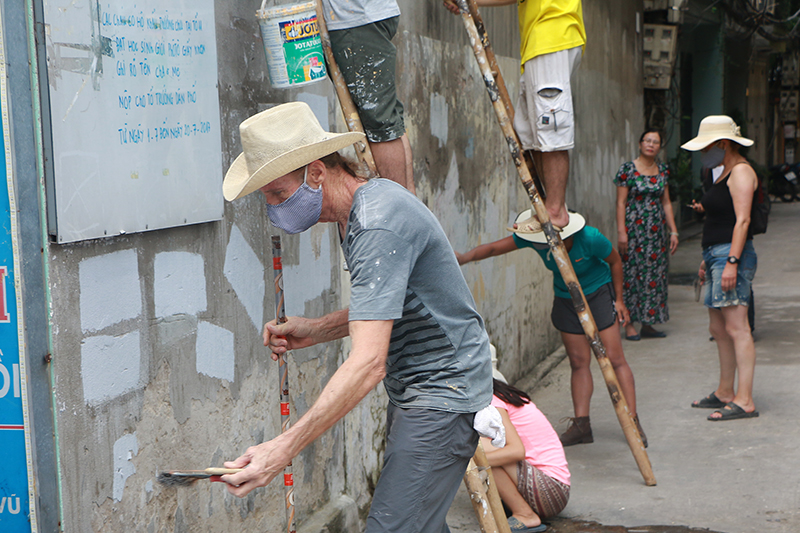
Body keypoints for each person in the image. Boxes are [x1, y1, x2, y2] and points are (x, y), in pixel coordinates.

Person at [219, 102, 493, 531]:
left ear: (315, 172)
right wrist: (318, 329)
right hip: (420, 388)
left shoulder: (377, 221)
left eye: (276, 194)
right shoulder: (358, 214)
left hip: (443, 392)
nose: (272, 208)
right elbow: (386, 305)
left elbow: (368, 363)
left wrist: (282, 449)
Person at [456, 211, 646, 447]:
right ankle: (582, 425)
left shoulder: (590, 237)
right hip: (566, 298)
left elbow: (615, 261)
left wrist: (619, 300)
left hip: (597, 293)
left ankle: (632, 420)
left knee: (614, 359)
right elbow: (494, 248)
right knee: (578, 361)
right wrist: (463, 258)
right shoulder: (537, 238)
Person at [443, 0, 585, 229]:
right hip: (542, 40)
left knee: (550, 131)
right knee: (531, 133)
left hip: (552, 36)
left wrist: (470, 1)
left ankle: (555, 211)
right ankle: (549, 206)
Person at [684, 115, 759, 421]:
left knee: (737, 327)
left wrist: (731, 262)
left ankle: (745, 399)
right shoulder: (722, 172)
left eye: (707, 148)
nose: (704, 154)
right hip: (716, 254)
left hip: (730, 256)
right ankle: (726, 391)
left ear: (723, 145)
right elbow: (720, 218)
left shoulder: (740, 172)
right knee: (719, 328)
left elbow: (742, 220)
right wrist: (708, 260)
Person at [323, 0, 415, 192]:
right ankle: (408, 206)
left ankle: (396, 212)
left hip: (354, 18)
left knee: (380, 122)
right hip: (362, 16)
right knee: (386, 119)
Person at [614, 129, 679, 340]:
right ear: (640, 143)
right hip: (634, 233)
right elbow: (621, 202)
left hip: (656, 234)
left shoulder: (662, 170)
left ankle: (649, 323)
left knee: (654, 276)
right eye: (647, 140)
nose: (651, 144)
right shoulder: (628, 169)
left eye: (656, 142)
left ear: (660, 146)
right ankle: (629, 324)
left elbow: (666, 202)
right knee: (632, 276)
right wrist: (622, 231)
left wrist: (673, 231)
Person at [485, 377, 569, 533]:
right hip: (554, 490)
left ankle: (525, 514)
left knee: (481, 451)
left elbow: (517, 451)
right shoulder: (501, 395)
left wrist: (471, 462)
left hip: (550, 491)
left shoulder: (493, 403)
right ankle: (521, 508)